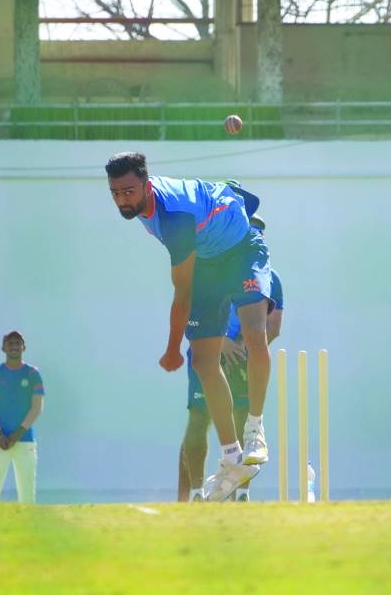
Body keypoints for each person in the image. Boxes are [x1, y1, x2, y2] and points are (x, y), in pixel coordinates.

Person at [105, 153, 273, 501]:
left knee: (256, 333)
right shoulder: (145, 205)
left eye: (129, 192)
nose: (123, 200)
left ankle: (255, 428)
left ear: (146, 185)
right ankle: (232, 457)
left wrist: (170, 349)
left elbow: (181, 293)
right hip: (210, 260)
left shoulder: (174, 219)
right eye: (116, 193)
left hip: (242, 249)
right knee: (202, 361)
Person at [178, 217, 285, 503]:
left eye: (258, 233)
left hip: (241, 359)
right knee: (199, 418)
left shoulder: (269, 276)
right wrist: (222, 342)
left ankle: (241, 493)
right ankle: (197, 492)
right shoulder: (209, 265)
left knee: (242, 421)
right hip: (209, 351)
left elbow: (273, 326)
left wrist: (243, 348)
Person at [0, 330, 44, 503]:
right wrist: (0, 434)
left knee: (27, 496)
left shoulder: (33, 374)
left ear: (24, 347)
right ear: (3, 348)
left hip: (25, 441)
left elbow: (37, 408)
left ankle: (27, 529)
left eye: (18, 343)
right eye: (10, 343)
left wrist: (16, 435)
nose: (14, 346)